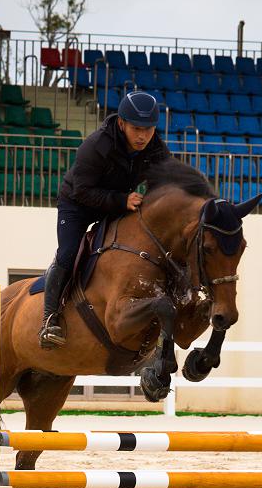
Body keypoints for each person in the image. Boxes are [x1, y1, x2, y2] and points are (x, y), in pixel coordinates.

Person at [39, 90, 171, 349]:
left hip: (115, 205)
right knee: (68, 254)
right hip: (77, 205)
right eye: (136, 128)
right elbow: (82, 191)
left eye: (149, 129)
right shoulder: (96, 144)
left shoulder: (154, 146)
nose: (143, 136)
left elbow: (167, 176)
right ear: (121, 123)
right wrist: (122, 201)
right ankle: (49, 318)